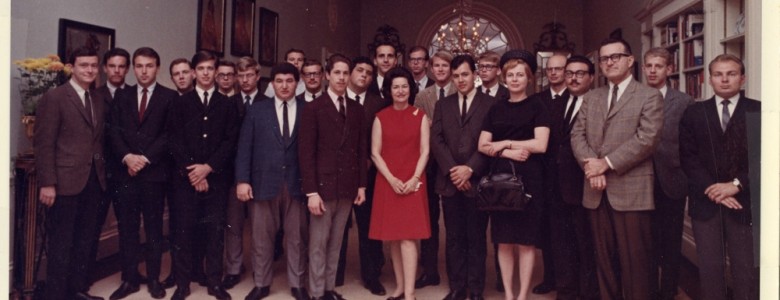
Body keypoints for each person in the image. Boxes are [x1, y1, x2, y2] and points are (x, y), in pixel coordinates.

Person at [570, 38, 663, 300]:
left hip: (632, 193)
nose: (609, 62)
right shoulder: (591, 97)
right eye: (604, 58)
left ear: (630, 61)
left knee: (636, 264)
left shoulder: (649, 95)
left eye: (615, 56)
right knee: (604, 263)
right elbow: (577, 135)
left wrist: (606, 164)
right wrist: (592, 168)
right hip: (596, 191)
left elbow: (647, 139)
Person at [679, 54, 760, 300]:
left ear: (742, 78)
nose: (724, 80)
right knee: (710, 270)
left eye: (731, 74)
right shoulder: (693, 113)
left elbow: (765, 157)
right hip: (706, 203)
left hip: (745, 203)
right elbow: (687, 158)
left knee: (746, 271)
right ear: (710, 80)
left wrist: (736, 185)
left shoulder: (758, 110)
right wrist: (715, 189)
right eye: (718, 74)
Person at [166, 51, 240, 300]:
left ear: (216, 72)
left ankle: (214, 282)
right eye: (202, 69)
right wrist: (194, 173)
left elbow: (230, 141)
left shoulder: (227, 104)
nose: (206, 73)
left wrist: (208, 168)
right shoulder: (179, 103)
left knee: (215, 232)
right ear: (194, 72)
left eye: (211, 69)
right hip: (185, 180)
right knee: (184, 232)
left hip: (216, 179)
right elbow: (175, 141)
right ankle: (183, 283)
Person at [477, 49, 549, 300]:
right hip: (501, 179)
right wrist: (507, 152)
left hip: (530, 178)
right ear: (504, 78)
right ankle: (509, 295)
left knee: (526, 242)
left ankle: (522, 297)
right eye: (511, 75)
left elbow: (541, 145)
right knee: (504, 241)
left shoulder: (538, 105)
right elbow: (483, 145)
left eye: (520, 75)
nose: (515, 79)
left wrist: (505, 142)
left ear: (528, 78)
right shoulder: (496, 109)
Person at [35, 46, 106, 300]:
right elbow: (44, 144)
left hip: (93, 181)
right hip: (63, 183)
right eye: (84, 65)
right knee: (61, 245)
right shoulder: (55, 98)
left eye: (93, 65)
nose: (89, 70)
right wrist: (47, 183)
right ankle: (56, 295)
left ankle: (76, 291)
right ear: (71, 67)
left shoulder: (97, 97)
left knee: (84, 242)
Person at [235, 62, 310, 300]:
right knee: (261, 237)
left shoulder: (308, 109)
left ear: (297, 83)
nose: (284, 86)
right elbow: (244, 147)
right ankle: (262, 283)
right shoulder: (257, 110)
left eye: (289, 81)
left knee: (297, 237)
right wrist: (242, 180)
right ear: (271, 84)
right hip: (263, 182)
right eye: (279, 81)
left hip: (297, 183)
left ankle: (297, 283)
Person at [107, 47, 176, 300]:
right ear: (133, 68)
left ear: (157, 67)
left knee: (155, 230)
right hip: (126, 174)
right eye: (138, 66)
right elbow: (113, 131)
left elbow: (169, 135)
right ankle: (129, 279)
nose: (143, 71)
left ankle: (154, 280)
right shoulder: (121, 96)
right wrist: (128, 157)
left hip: (154, 174)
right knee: (127, 229)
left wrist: (145, 159)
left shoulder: (169, 97)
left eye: (148, 66)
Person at [299, 54, 367, 300]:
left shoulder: (357, 109)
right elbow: (306, 153)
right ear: (327, 76)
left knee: (336, 242)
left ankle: (328, 289)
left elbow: (361, 150)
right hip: (322, 187)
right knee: (318, 243)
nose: (341, 77)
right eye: (336, 72)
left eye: (345, 73)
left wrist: (361, 185)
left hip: (347, 186)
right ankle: (316, 292)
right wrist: (311, 192)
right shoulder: (314, 108)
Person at [431, 55, 495, 300]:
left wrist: (470, 169)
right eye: (456, 75)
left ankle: (476, 290)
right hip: (449, 182)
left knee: (477, 238)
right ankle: (457, 288)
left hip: (477, 181)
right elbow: (436, 140)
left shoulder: (490, 103)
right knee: (454, 237)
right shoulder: (443, 104)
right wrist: (454, 171)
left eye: (465, 74)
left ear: (475, 75)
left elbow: (490, 141)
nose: (460, 80)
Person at [369, 67, 431, 300]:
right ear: (389, 90)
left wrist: (414, 178)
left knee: (408, 237)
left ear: (411, 88)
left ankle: (411, 293)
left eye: (405, 86)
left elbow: (425, 151)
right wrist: (392, 179)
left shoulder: (420, 116)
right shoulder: (380, 117)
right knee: (393, 237)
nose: (401, 90)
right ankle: (400, 287)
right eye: (396, 86)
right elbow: (375, 153)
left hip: (414, 180)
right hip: (389, 180)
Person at [545, 55, 599, 300]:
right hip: (556, 186)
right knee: (560, 243)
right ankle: (566, 292)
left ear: (591, 77)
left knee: (587, 245)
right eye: (569, 73)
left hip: (586, 184)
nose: (573, 78)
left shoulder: (600, 104)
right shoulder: (555, 104)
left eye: (580, 73)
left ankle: (588, 294)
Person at [642, 47, 694, 300]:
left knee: (671, 242)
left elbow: (690, 143)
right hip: (638, 181)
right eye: (649, 66)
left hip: (671, 180)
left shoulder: (683, 101)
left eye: (658, 66)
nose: (652, 71)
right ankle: (648, 290)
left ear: (669, 70)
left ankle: (669, 291)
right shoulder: (634, 98)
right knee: (644, 242)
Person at [345, 56, 390, 296]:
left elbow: (385, 140)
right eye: (359, 70)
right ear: (350, 73)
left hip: (370, 174)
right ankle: (336, 273)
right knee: (338, 227)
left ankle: (371, 276)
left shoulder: (379, 103)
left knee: (368, 227)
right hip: (340, 173)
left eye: (368, 73)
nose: (363, 75)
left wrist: (371, 162)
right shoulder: (336, 97)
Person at [412, 50, 454, 290]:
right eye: (436, 66)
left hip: (450, 162)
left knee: (452, 220)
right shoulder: (422, 96)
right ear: (430, 68)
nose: (439, 70)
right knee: (428, 220)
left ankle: (453, 272)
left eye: (444, 66)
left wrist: (432, 125)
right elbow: (418, 128)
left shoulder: (458, 92)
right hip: (428, 164)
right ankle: (430, 271)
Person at [222, 56, 263, 290]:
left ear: (257, 76)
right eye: (242, 75)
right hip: (233, 175)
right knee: (233, 225)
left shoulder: (268, 102)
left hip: (260, 175)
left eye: (250, 75)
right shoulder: (228, 103)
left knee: (259, 227)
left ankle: (260, 269)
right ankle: (234, 268)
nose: (246, 80)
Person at [91, 47, 130, 288]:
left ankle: (130, 277)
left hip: (128, 173)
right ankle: (83, 280)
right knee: (92, 226)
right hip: (99, 174)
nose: (116, 70)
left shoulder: (135, 95)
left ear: (127, 69)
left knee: (128, 227)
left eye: (121, 66)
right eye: (112, 66)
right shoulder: (94, 95)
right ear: (105, 69)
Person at [532, 53, 569, 295]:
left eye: (559, 69)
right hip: (542, 174)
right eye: (550, 69)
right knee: (545, 230)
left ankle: (567, 283)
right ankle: (549, 278)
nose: (554, 73)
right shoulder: (538, 100)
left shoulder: (577, 98)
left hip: (568, 175)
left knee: (565, 232)